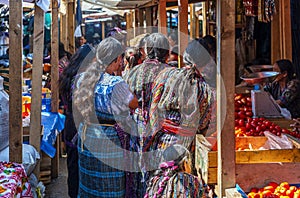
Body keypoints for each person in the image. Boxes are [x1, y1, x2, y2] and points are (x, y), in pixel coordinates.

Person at [73, 37, 138, 197]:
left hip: (87, 134)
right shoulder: (115, 83)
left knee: (90, 183)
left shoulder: (82, 78)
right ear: (117, 59)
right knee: (110, 186)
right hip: (109, 140)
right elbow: (134, 103)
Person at [123, 32, 170, 197]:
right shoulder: (172, 73)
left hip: (139, 127)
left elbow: (127, 101)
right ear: (168, 52)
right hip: (165, 132)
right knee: (162, 172)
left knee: (140, 169)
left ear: (145, 50)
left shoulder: (133, 72)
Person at [59, 44, 95, 198]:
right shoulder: (83, 79)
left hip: (70, 123)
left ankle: (73, 194)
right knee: (83, 164)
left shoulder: (67, 75)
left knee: (73, 164)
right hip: (80, 124)